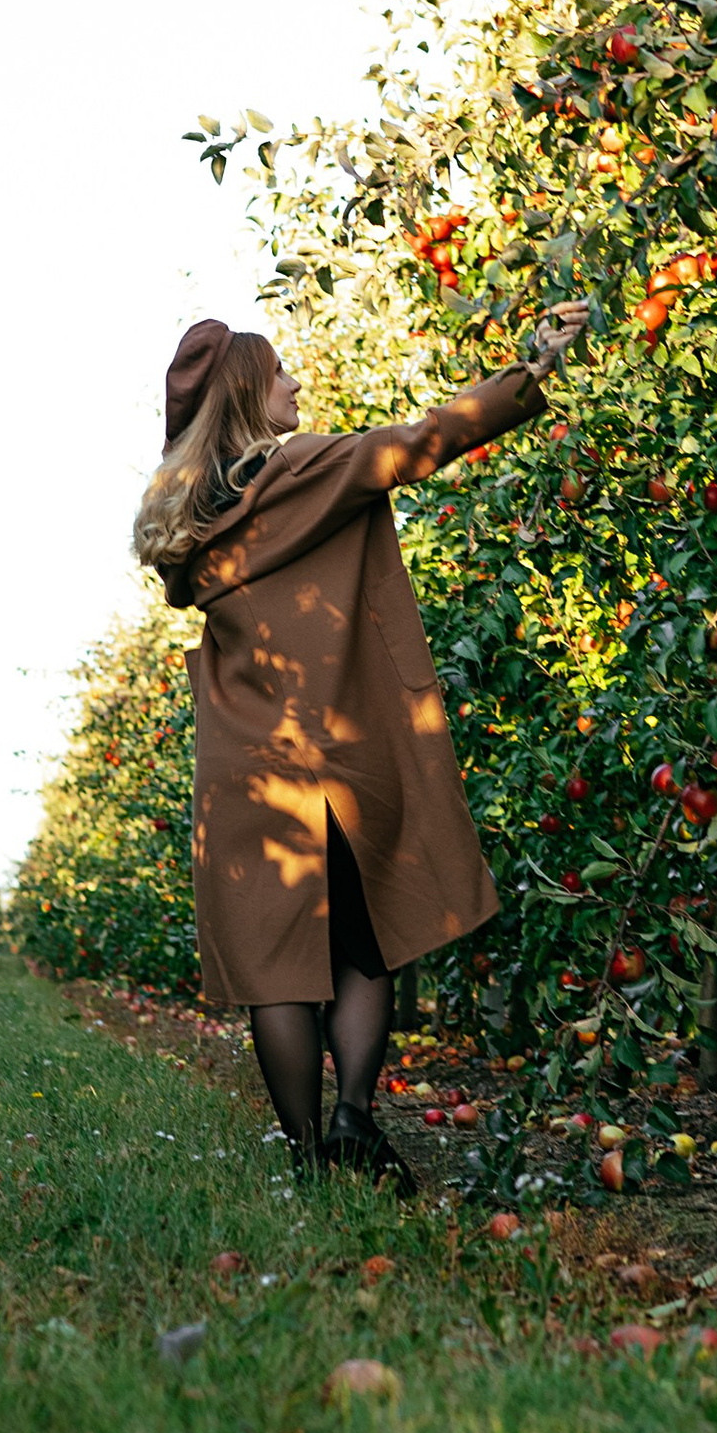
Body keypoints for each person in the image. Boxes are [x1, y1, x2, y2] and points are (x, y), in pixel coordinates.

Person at [132, 306, 588, 1176]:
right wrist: (532, 371)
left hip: (247, 773)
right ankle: (350, 1120)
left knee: (276, 966)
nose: (297, 385)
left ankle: (306, 1156)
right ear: (248, 396)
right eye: (281, 376)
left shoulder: (190, 528)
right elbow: (418, 443)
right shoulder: (302, 471)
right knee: (360, 944)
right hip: (335, 752)